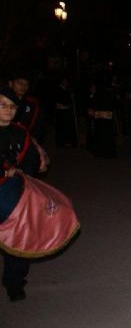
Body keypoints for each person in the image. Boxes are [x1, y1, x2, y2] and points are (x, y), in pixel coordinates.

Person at [0, 87, 43, 301]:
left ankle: (14, 282)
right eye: (2, 105)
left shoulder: (20, 133)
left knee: (18, 238)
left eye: (12, 106)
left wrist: (20, 171)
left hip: (13, 194)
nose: (8, 110)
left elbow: (31, 163)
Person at [8, 71, 46, 142]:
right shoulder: (3, 102)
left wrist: (35, 138)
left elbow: (39, 123)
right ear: (10, 84)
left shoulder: (33, 103)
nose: (23, 86)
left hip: (26, 140)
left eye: (26, 84)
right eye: (19, 83)